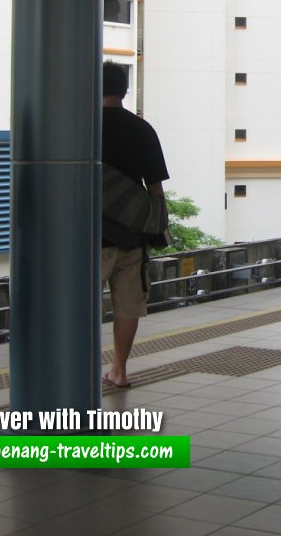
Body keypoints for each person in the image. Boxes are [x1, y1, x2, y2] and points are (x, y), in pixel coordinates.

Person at [101, 61, 168, 388]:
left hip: (91, 237)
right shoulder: (142, 129)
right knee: (128, 306)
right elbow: (155, 189)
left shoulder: (83, 126)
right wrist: (157, 228)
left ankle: (77, 369)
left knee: (82, 307)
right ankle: (120, 370)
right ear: (124, 90)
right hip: (132, 237)